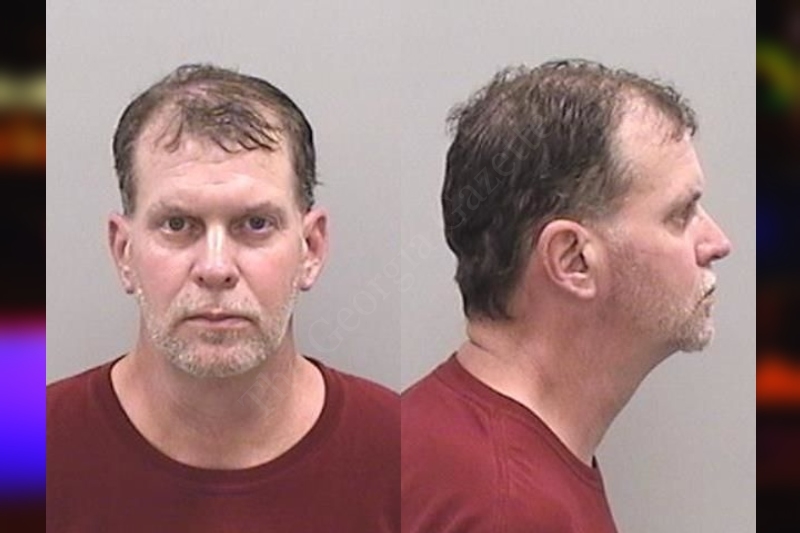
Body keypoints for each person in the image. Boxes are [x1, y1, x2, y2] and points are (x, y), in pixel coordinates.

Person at [47, 64, 399, 532]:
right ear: (124, 252)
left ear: (311, 249)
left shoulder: (405, 456)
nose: (215, 268)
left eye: (255, 224)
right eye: (177, 225)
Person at [401, 59, 732, 532]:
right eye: (681, 214)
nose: (718, 242)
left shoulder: (449, 448)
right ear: (573, 259)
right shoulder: (508, 508)